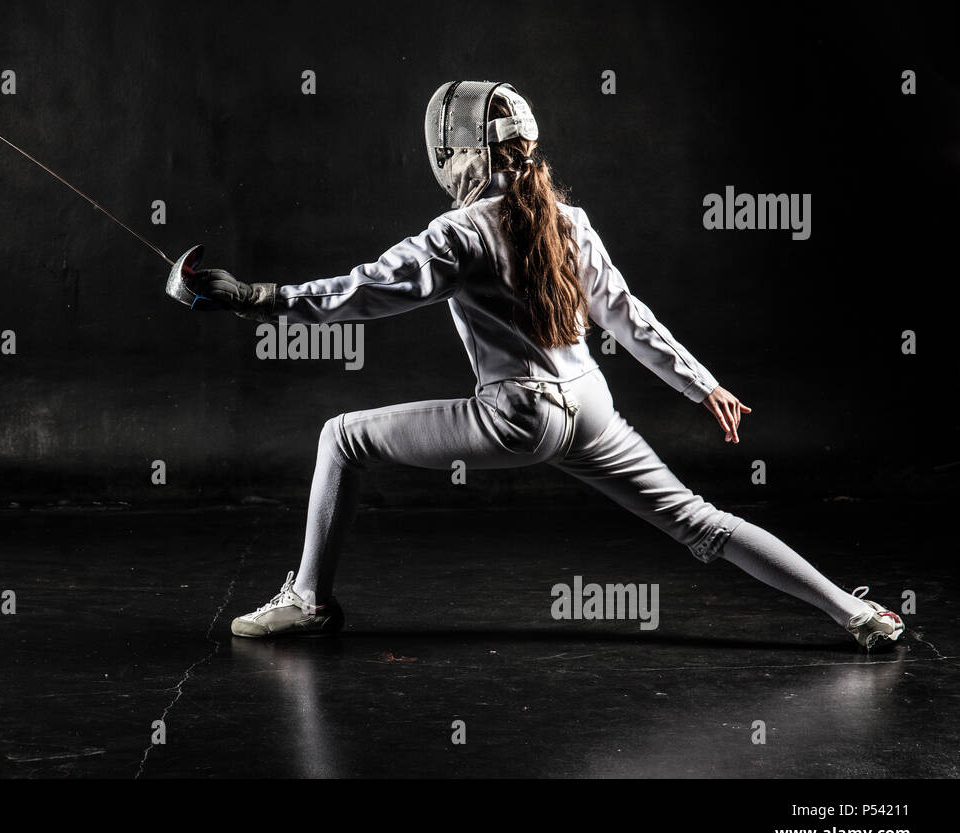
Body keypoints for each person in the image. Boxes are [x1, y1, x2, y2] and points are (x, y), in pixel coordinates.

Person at [176, 80, 904, 650]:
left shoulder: (457, 232)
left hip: (519, 418)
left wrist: (255, 297)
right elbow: (628, 316)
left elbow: (363, 293)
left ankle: (309, 601)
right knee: (701, 522)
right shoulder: (568, 218)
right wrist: (702, 383)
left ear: (460, 153)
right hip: (590, 406)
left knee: (341, 437)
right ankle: (856, 614)